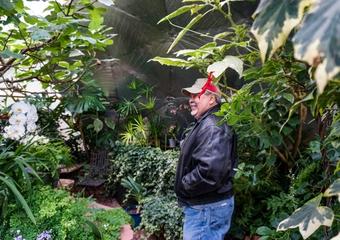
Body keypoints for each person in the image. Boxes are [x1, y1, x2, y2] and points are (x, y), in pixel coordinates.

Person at [175, 74, 237, 240]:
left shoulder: (212, 126)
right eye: (191, 96)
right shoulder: (208, 122)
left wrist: (184, 185)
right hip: (206, 207)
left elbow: (210, 172)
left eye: (197, 95)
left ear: (211, 99)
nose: (191, 100)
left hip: (206, 209)